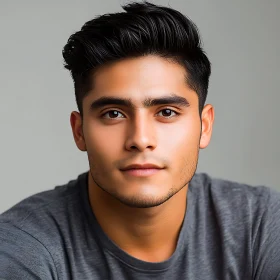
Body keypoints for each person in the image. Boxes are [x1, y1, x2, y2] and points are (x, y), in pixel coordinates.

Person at [1, 1, 280, 279]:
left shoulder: (262, 224)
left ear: (204, 126)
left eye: (167, 112)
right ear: (80, 131)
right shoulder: (23, 246)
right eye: (113, 114)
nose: (140, 139)